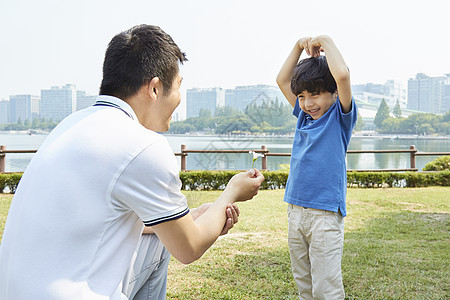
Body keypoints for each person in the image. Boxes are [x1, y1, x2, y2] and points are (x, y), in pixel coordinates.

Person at [0, 24, 264, 300]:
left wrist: (190, 218)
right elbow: (189, 247)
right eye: (178, 87)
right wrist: (232, 192)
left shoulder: (71, 125)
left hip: (15, 291)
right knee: (166, 244)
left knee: (158, 236)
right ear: (154, 88)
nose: (179, 99)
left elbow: (96, 215)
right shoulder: (143, 145)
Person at [276, 35, 357, 299]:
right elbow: (281, 80)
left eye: (316, 94)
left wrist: (325, 41)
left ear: (333, 94)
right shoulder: (303, 116)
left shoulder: (339, 117)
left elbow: (342, 75)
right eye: (301, 96)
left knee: (326, 286)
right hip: (295, 210)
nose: (308, 103)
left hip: (324, 215)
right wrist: (298, 47)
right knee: (304, 284)